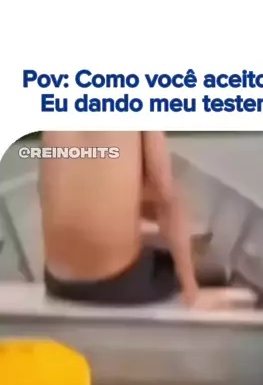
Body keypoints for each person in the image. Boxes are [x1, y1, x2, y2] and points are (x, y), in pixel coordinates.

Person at [39, 131, 230, 308]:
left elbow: (52, 192)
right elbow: (165, 196)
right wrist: (190, 285)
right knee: (210, 271)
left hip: (57, 282)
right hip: (115, 282)